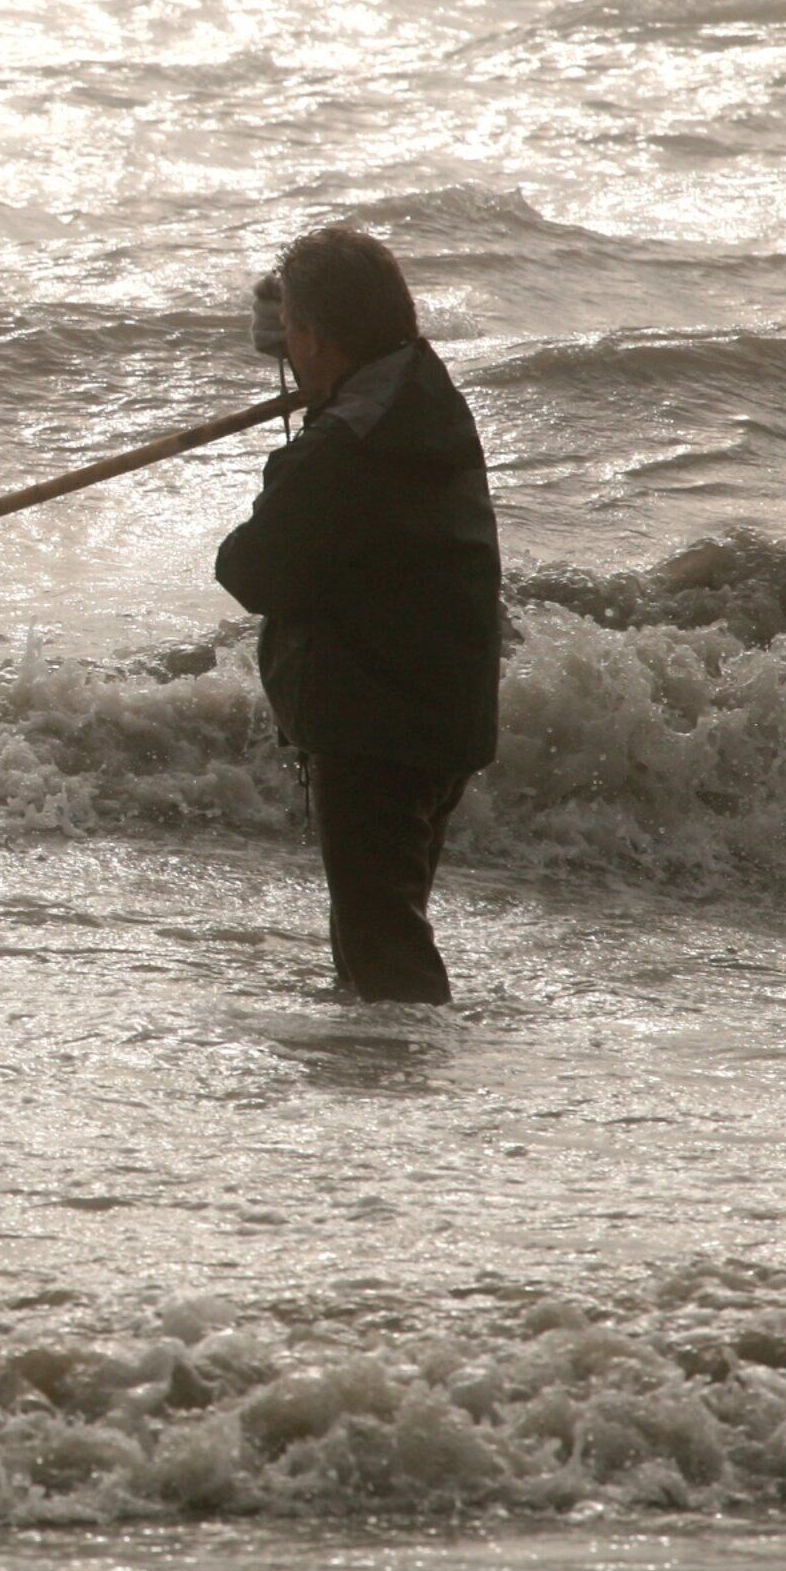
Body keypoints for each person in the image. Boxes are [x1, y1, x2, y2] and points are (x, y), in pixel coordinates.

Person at [214, 225, 502, 1004]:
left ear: (317, 334)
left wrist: (307, 416)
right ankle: (394, 1069)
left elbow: (248, 569)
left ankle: (404, 1090)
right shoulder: (416, 382)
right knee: (387, 920)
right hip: (437, 706)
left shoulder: (345, 446)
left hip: (378, 723)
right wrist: (301, 332)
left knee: (382, 942)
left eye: (297, 332)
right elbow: (352, 334)